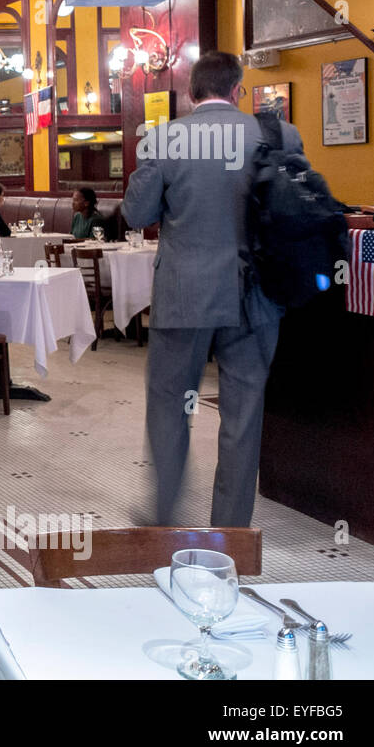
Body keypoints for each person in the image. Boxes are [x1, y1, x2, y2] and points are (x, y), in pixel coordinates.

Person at [122, 50, 302, 527]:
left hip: (185, 294)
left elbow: (136, 215)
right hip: (257, 296)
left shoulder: (163, 139)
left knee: (168, 406)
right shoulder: (279, 134)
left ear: (190, 92)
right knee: (244, 417)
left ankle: (164, 519)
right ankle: (231, 533)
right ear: (238, 90)